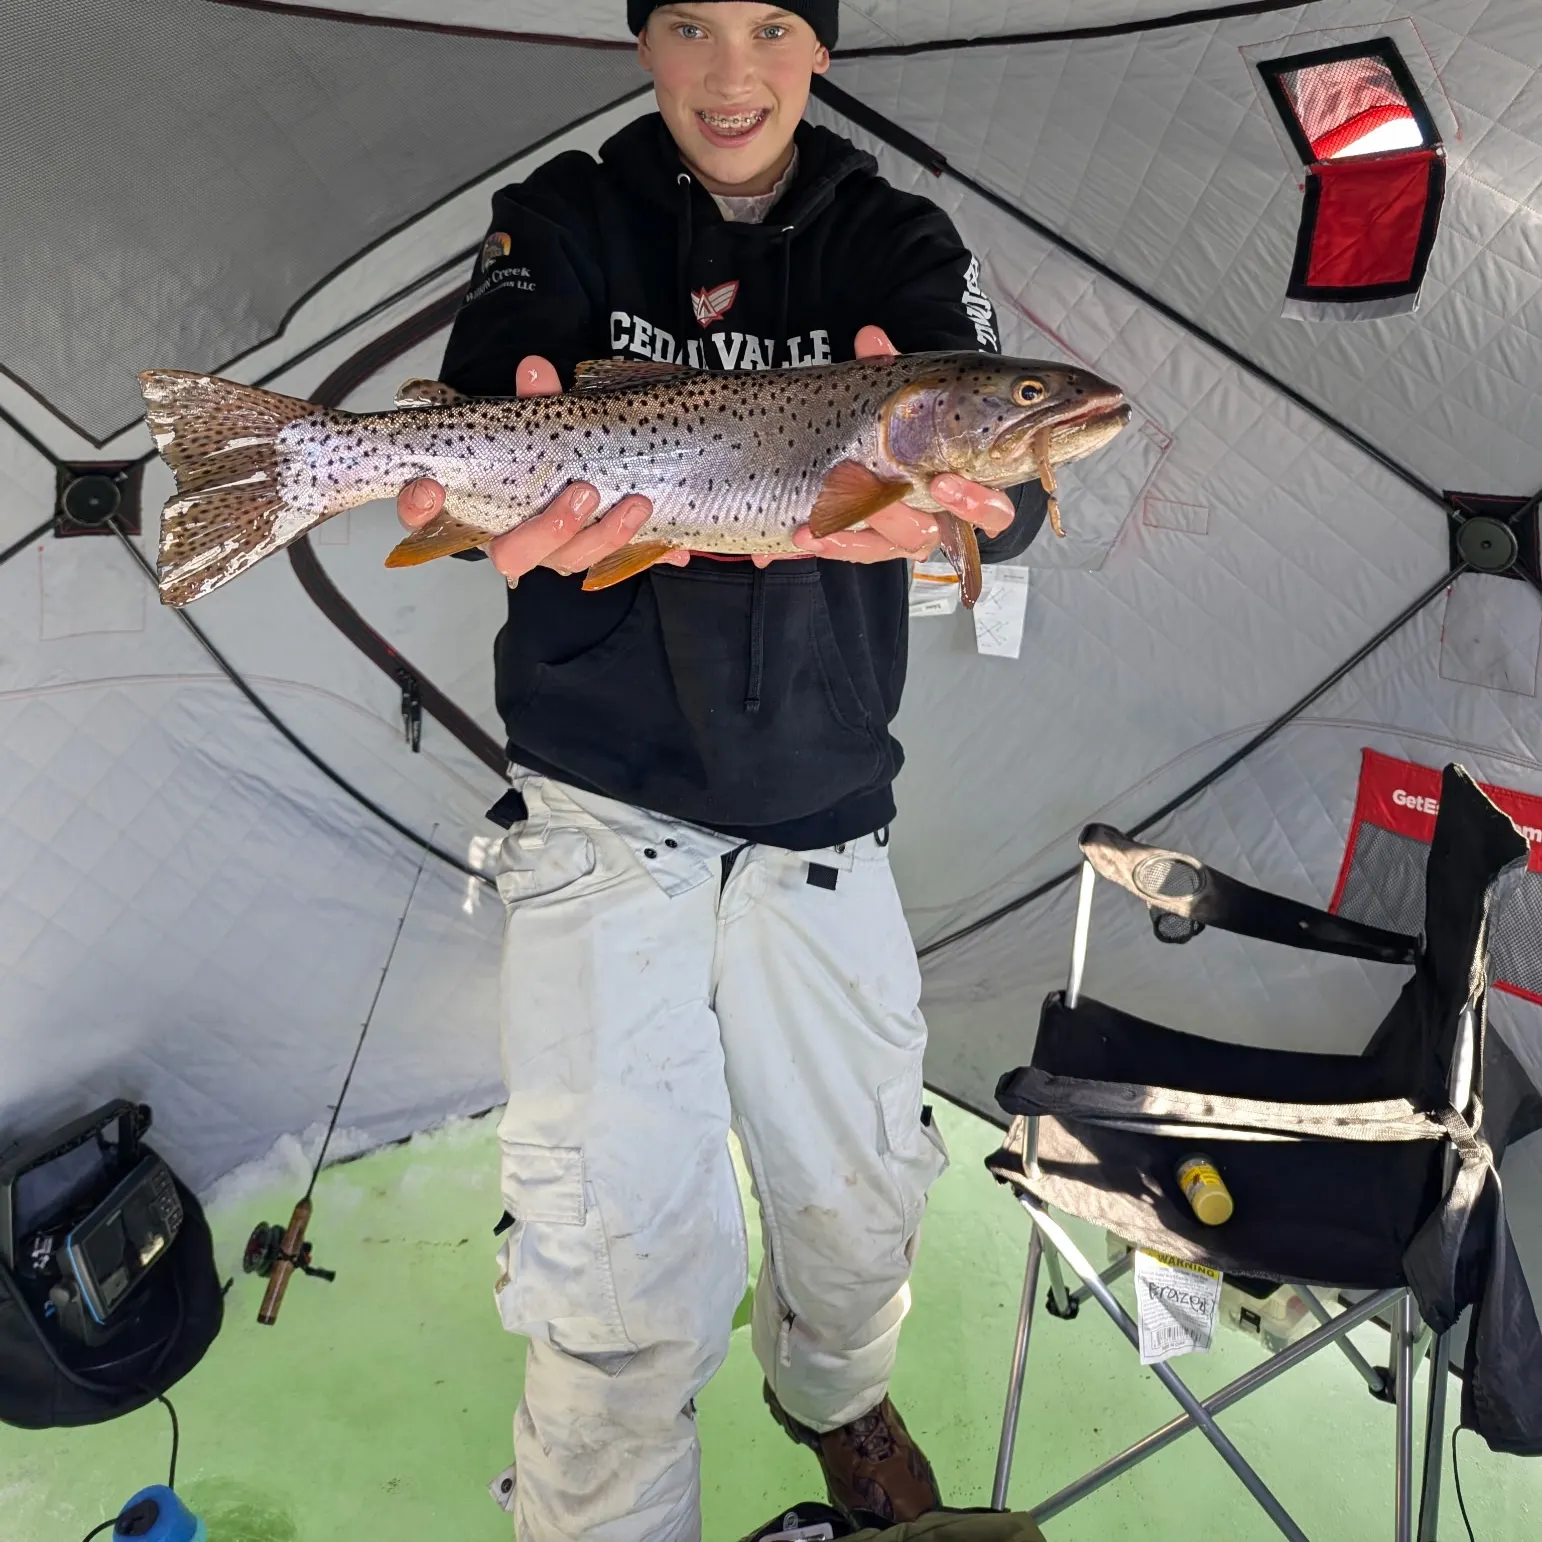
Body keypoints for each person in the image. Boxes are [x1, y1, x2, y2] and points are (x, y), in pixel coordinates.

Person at [398, 5, 1049, 1539]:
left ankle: (835, 1395)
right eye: (686, 23)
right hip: (595, 797)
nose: (730, 67)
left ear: (821, 50)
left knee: (857, 1202)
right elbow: (501, 367)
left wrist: (984, 509)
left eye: (771, 24)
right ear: (642, 45)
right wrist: (506, 444)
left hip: (823, 803)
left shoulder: (894, 234)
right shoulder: (562, 210)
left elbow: (1000, 476)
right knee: (609, 1263)